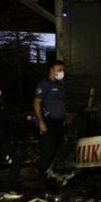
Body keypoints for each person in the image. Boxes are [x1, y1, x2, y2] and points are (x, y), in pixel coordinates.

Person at [33, 60, 67, 191]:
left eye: (62, 70)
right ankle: (42, 183)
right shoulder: (44, 84)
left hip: (60, 123)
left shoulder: (60, 85)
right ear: (51, 70)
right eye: (59, 70)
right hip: (49, 123)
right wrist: (41, 121)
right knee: (47, 153)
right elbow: (37, 103)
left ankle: (53, 180)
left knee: (58, 153)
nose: (61, 72)